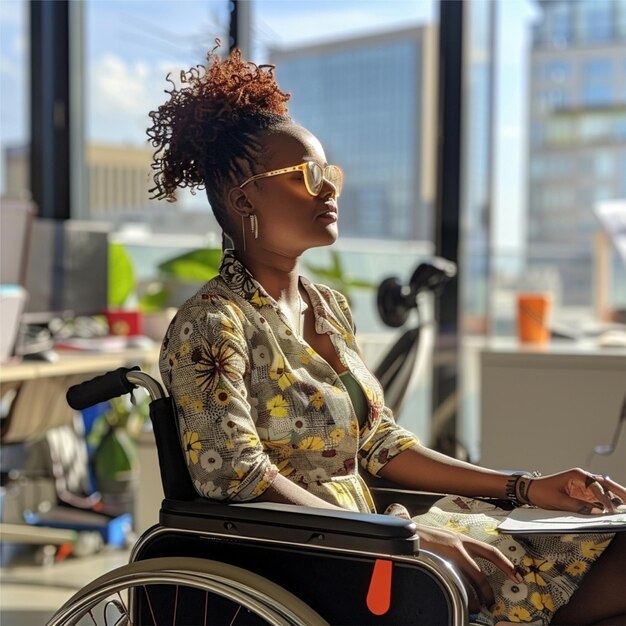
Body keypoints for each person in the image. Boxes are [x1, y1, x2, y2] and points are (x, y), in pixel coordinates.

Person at [148, 46, 625, 626]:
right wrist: (395, 538)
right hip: (314, 556)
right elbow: (240, 478)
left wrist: (526, 487)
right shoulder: (213, 322)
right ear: (244, 197)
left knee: (605, 545)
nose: (330, 190)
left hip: (379, 533)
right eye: (307, 176)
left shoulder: (328, 307)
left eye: (331, 173)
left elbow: (382, 446)